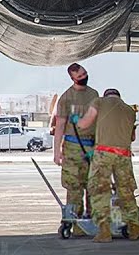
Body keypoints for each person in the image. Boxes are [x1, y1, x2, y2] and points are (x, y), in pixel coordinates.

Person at [79, 87, 139, 243]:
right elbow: (132, 137)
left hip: (103, 154)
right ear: (119, 97)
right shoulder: (130, 110)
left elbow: (85, 123)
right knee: (126, 191)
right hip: (124, 155)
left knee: (100, 190)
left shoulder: (99, 102)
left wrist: (77, 120)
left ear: (106, 96)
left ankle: (104, 231)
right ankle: (134, 226)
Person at [53, 63, 99, 221]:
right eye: (80, 76)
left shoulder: (94, 94)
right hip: (73, 146)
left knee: (93, 184)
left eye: (85, 74)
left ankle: (93, 217)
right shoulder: (66, 98)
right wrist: (57, 152)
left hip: (91, 145)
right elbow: (59, 125)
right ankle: (74, 219)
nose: (84, 77)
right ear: (72, 78)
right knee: (74, 186)